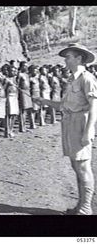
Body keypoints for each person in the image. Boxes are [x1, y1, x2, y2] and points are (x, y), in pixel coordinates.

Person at [33, 43, 97, 215]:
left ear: (79, 58)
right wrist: (44, 101)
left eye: (68, 57)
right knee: (76, 165)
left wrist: (89, 131)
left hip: (80, 124)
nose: (65, 61)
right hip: (69, 123)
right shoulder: (72, 80)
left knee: (83, 166)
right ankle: (81, 205)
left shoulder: (87, 79)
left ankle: (85, 208)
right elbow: (63, 106)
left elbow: (94, 107)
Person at [17, 61, 33, 132]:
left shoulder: (27, 75)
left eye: (27, 66)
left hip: (27, 92)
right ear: (21, 66)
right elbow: (17, 84)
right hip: (22, 92)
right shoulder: (19, 74)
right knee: (22, 110)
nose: (26, 67)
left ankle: (25, 126)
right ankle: (22, 127)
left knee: (27, 110)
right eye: (24, 66)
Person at [5, 65, 19, 138]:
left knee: (14, 115)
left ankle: (11, 129)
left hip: (15, 97)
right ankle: (7, 131)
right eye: (12, 71)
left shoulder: (15, 79)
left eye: (14, 71)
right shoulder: (6, 79)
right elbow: (4, 89)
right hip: (9, 97)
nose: (14, 72)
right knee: (9, 115)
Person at [29, 65, 41, 129]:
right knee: (32, 110)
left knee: (36, 109)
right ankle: (32, 123)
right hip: (33, 94)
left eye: (36, 71)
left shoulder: (36, 78)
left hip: (37, 93)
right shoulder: (30, 79)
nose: (36, 72)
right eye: (34, 71)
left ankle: (34, 123)